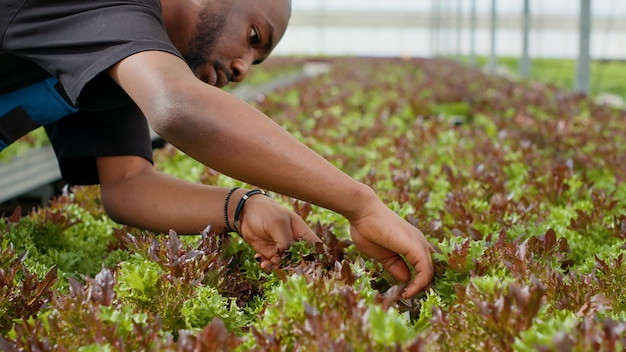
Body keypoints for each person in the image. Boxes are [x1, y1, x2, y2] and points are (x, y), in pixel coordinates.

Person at [0, 0, 434, 298]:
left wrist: (243, 207)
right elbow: (178, 107)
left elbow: (127, 184)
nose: (243, 67)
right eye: (252, 35)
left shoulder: (119, 58)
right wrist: (361, 205)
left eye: (256, 59)